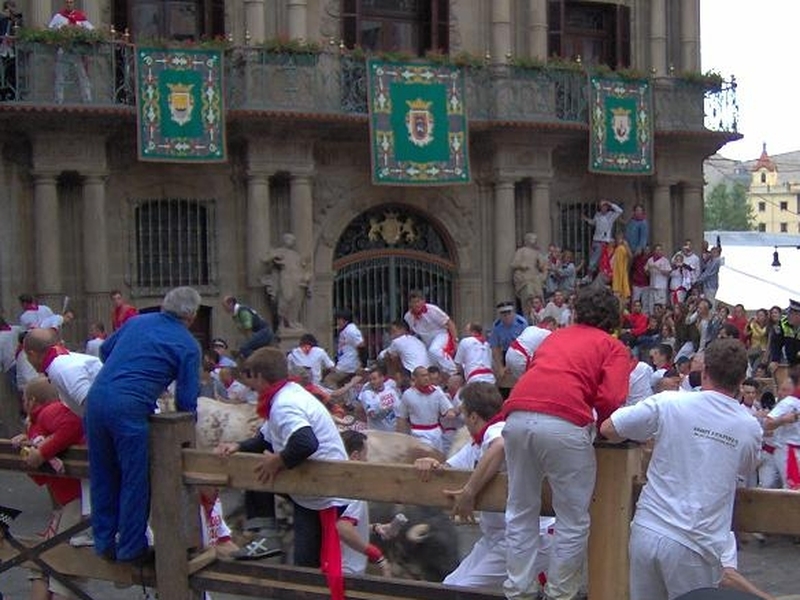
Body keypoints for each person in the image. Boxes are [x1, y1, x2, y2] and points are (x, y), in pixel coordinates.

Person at [600, 339, 762, 600]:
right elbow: (747, 466)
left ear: (704, 371)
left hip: (648, 530)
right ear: (742, 378)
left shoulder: (669, 402)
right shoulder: (748, 426)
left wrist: (648, 438)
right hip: (696, 544)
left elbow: (609, 428)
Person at [501, 286, 630, 600]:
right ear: (613, 319)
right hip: (565, 421)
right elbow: (612, 398)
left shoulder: (554, 336)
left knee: (520, 508)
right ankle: (560, 594)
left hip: (517, 415)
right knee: (572, 518)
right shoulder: (612, 346)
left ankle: (519, 590)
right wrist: (606, 428)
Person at [84, 286, 201, 563]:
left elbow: (105, 350)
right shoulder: (187, 344)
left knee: (102, 473)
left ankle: (103, 542)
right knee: (134, 478)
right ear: (192, 315)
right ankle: (131, 547)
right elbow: (186, 399)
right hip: (129, 407)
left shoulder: (136, 322)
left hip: (96, 399)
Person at [415, 381, 555, 590]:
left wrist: (469, 492)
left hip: (530, 535)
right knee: (450, 585)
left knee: (462, 590)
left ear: (473, 416)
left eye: (463, 413)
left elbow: (499, 446)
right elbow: (447, 469)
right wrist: (429, 463)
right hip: (500, 535)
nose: (462, 418)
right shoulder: (477, 443)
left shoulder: (498, 430)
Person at [245, 347, 348, 597]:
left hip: (326, 493)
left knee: (318, 567)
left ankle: (266, 535)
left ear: (259, 376)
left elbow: (305, 442)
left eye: (250, 377)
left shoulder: (285, 403)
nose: (249, 385)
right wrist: (236, 447)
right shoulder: (286, 394)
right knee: (307, 567)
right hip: (311, 493)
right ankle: (266, 532)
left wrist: (277, 461)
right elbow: (265, 438)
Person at [12, 377, 86, 600]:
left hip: (80, 500)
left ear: (32, 401)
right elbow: (41, 479)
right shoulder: (36, 425)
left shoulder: (50, 412)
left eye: (24, 398)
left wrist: (42, 452)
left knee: (64, 563)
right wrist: (27, 451)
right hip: (69, 501)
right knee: (41, 562)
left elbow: (74, 424)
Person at [336, 430, 393, 577]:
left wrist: (374, 528)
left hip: (333, 565)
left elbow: (343, 523)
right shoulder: (354, 490)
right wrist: (377, 556)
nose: (367, 461)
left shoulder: (332, 483)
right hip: (347, 570)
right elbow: (343, 528)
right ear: (355, 457)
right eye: (365, 456)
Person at [23, 327, 102, 418]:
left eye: (27, 357)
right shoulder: (64, 361)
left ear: (32, 354)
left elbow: (92, 403)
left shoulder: (60, 367)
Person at [395, 366, 456, 453]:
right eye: (423, 376)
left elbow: (448, 409)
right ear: (415, 378)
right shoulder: (408, 395)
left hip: (436, 432)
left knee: (438, 459)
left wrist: (450, 413)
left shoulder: (437, 391)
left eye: (427, 375)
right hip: (418, 433)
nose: (426, 378)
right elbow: (402, 418)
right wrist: (400, 439)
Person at [48, 0, 94, 103]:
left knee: (82, 76)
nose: (69, 4)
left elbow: (91, 30)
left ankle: (87, 98)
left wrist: (80, 29)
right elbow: (50, 30)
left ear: (73, 4)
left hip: (77, 52)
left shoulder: (80, 17)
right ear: (64, 4)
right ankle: (58, 99)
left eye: (71, 2)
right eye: (67, 2)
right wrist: (61, 29)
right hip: (63, 51)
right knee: (60, 76)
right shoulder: (58, 17)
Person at [263, 233, 311, 330]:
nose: (290, 241)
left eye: (292, 240)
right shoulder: (279, 251)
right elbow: (265, 260)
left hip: (297, 279)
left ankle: (292, 321)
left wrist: (306, 276)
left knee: (296, 301)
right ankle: (282, 322)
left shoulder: (296, 255)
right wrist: (273, 256)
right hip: (286, 278)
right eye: (288, 239)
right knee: (286, 298)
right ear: (283, 240)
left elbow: (303, 267)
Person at [404, 290, 458, 376]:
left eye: (418, 301)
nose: (416, 304)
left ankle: (454, 371)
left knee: (434, 350)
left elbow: (449, 323)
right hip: (426, 339)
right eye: (413, 302)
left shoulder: (433, 310)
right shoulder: (408, 317)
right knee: (429, 360)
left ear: (423, 301)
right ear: (409, 304)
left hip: (440, 334)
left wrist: (455, 341)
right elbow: (413, 331)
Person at [763, 372, 800, 490]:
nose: (780, 393)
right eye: (781, 389)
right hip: (789, 450)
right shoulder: (788, 402)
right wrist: (784, 419)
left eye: (785, 390)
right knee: (793, 488)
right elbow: (767, 423)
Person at [489, 301, 528, 386]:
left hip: (520, 352)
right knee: (503, 378)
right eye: (503, 313)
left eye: (509, 313)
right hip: (505, 352)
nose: (506, 316)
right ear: (499, 315)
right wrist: (500, 367)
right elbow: (495, 347)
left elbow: (527, 343)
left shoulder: (522, 323)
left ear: (513, 312)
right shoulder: (496, 326)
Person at [323, 308, 364, 388]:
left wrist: (362, 364)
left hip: (348, 364)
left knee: (329, 380)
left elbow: (361, 345)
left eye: (339, 319)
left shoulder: (351, 330)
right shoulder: (345, 330)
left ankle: (336, 398)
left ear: (345, 320)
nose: (337, 322)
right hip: (344, 362)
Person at [583, 200, 623, 276]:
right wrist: (587, 219)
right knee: (596, 259)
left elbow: (620, 211)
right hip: (595, 240)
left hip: (603, 241)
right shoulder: (597, 215)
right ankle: (593, 277)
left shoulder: (611, 215)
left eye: (604, 206)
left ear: (607, 207)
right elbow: (594, 223)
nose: (603, 208)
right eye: (601, 206)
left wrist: (609, 203)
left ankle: (588, 276)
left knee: (594, 260)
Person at [356, 364, 399, 431]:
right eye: (370, 380)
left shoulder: (390, 389)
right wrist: (388, 407)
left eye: (374, 379)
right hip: (379, 433)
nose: (372, 382)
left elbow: (399, 408)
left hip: (395, 429)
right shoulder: (367, 394)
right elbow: (372, 414)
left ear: (382, 378)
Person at [511, 233, 546, 310]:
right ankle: (528, 317)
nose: (535, 241)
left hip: (535, 278)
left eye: (536, 239)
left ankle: (539, 316)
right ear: (527, 240)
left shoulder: (537, 252)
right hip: (525, 278)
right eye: (533, 239)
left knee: (539, 296)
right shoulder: (521, 251)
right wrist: (521, 265)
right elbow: (514, 264)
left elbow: (542, 266)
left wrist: (543, 273)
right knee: (528, 298)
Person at [768, 299, 800, 370]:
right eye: (788, 313)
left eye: (791, 314)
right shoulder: (783, 324)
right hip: (791, 360)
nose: (788, 316)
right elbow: (776, 343)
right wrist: (775, 360)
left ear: (798, 315)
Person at [0, 1, 22, 101]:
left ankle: (13, 93)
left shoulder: (17, 20)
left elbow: (20, 33)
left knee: (12, 72)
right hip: (2, 49)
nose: (9, 11)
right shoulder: (2, 20)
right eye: (7, 9)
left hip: (13, 50)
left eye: (11, 8)